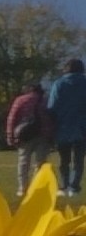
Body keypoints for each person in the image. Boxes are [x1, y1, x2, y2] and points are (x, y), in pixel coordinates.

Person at [48, 55, 86, 198]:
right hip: (83, 127)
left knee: (64, 159)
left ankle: (64, 185)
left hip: (63, 126)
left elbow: (52, 106)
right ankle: (74, 186)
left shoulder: (59, 84)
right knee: (79, 159)